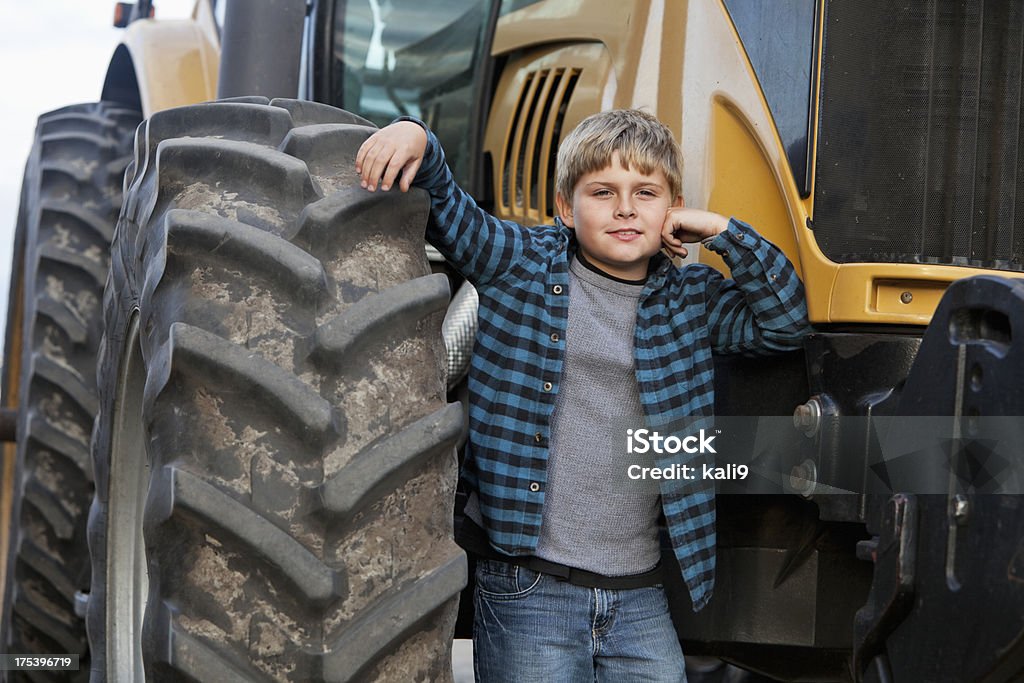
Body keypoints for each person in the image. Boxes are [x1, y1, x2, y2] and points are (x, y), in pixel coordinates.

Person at [356, 109, 809, 682]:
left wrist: (723, 232)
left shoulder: (691, 299)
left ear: (671, 209)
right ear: (568, 208)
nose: (625, 207)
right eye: (603, 191)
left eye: (646, 192)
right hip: (531, 586)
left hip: (640, 595)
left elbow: (785, 323)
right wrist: (417, 135)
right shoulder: (519, 263)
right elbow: (453, 213)